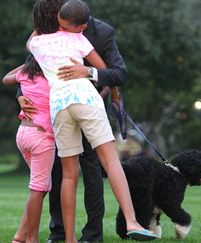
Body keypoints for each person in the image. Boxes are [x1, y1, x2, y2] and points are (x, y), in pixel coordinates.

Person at [27, 0, 157, 242]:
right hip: (87, 99)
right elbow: (104, 68)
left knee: (68, 175)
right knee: (111, 161)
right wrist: (89, 73)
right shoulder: (78, 39)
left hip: (60, 106)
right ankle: (131, 221)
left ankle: (69, 239)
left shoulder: (35, 42)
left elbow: (33, 45)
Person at [3, 54, 56, 243]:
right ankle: (31, 239)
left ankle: (19, 237)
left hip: (23, 133)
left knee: (40, 188)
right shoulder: (52, 76)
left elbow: (6, 78)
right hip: (41, 136)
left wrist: (29, 62)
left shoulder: (26, 74)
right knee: (38, 188)